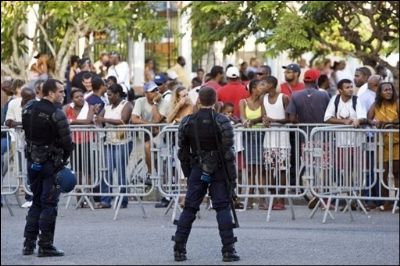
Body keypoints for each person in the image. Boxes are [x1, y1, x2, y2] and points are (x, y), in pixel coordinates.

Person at [172, 86, 239, 262]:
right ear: (216, 101)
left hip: (197, 168)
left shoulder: (187, 121)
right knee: (222, 207)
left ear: (199, 100)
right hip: (218, 169)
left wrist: (188, 173)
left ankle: (179, 248)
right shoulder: (222, 121)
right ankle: (228, 250)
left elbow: (183, 152)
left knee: (190, 208)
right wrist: (232, 180)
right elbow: (229, 154)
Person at [21, 79, 73, 257]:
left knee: (36, 201)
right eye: (60, 92)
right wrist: (62, 161)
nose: (63, 95)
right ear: (50, 93)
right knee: (49, 203)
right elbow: (67, 143)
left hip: (32, 162)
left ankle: (28, 244)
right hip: (50, 164)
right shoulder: (57, 113)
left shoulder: (28, 109)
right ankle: (45, 245)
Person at [94, 84, 133, 209]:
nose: (108, 97)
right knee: (107, 171)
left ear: (117, 94)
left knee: (121, 171)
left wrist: (103, 119)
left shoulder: (126, 105)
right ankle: (106, 200)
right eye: (107, 94)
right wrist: (96, 115)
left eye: (110, 94)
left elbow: (123, 120)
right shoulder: (107, 106)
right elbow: (99, 120)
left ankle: (123, 200)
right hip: (109, 142)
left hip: (123, 142)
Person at [367, 82, 399, 211]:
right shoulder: (376, 105)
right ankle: (387, 203)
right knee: (383, 174)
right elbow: (368, 118)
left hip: (396, 143)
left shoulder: (397, 103)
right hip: (382, 143)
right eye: (385, 90)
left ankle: (397, 202)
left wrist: (390, 124)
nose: (388, 92)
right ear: (380, 92)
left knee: (396, 173)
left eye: (390, 89)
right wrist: (374, 122)